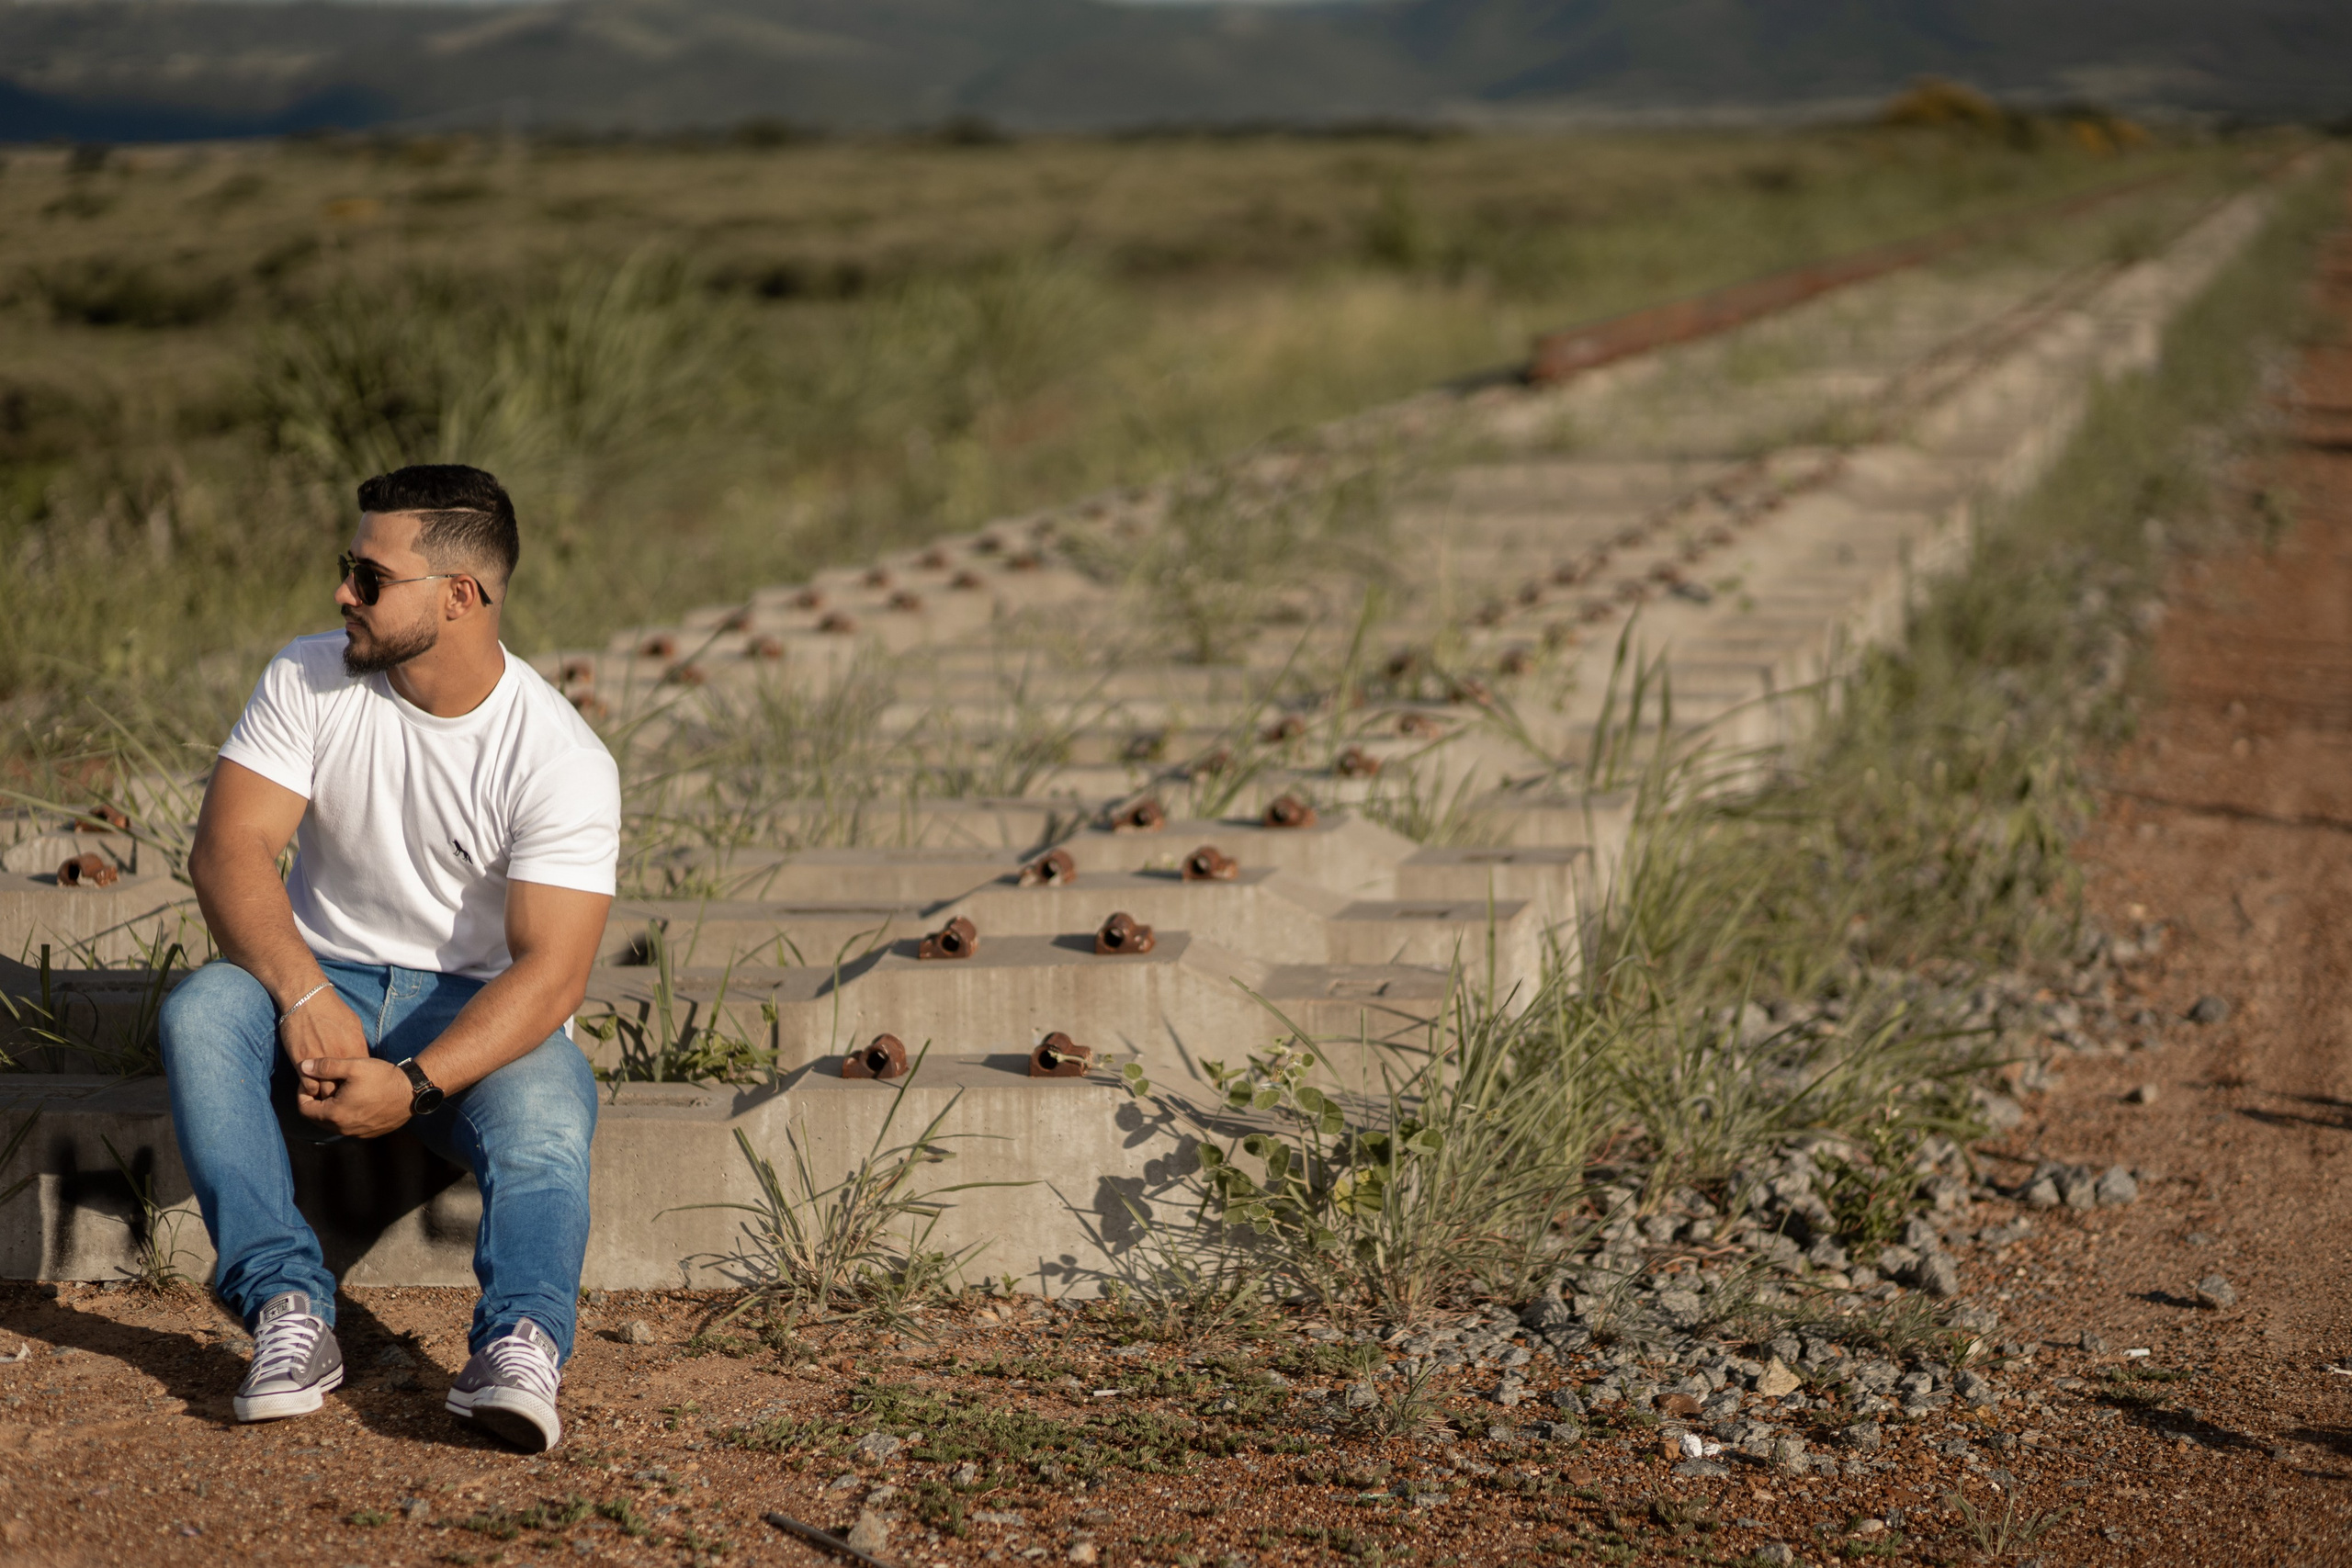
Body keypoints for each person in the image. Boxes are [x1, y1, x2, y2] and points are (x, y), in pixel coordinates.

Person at [159, 464, 619, 1452]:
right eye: (347, 566)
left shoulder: (560, 758)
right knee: (203, 1011)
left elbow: (551, 974)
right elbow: (228, 850)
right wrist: (302, 993)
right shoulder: (308, 675)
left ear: (459, 596)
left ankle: (521, 1345)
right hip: (317, 980)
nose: (343, 593)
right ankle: (286, 1307)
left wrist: (411, 1087)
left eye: (370, 578)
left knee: (548, 1106)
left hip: (473, 1010)